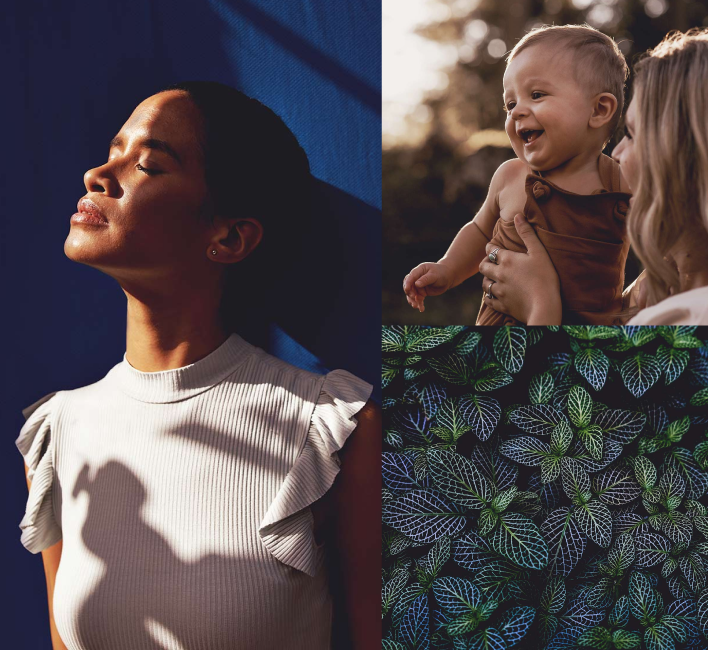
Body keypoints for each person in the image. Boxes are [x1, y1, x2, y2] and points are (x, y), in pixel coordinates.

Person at [16, 81, 380, 650]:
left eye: (149, 165)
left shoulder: (329, 430)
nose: (98, 174)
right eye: (113, 151)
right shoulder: (60, 430)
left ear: (230, 237)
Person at [402, 24, 633, 325]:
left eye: (536, 95)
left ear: (599, 110)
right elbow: (479, 230)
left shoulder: (620, 182)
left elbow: (665, 241)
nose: (516, 112)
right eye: (510, 104)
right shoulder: (511, 176)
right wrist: (447, 268)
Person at [478, 29, 708, 326]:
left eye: (633, 134)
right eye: (510, 104)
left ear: (686, 156)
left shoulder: (689, 315)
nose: (620, 151)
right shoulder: (670, 293)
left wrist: (541, 307)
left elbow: (560, 374)